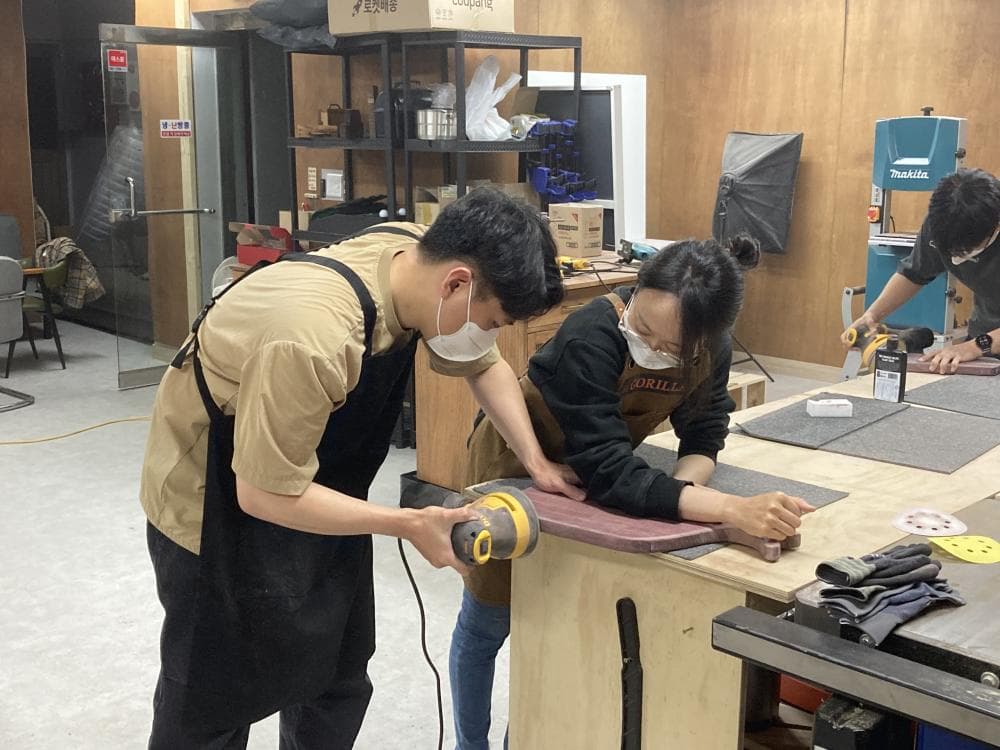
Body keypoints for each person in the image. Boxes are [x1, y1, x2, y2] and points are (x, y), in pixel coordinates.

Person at [139, 187, 583, 749]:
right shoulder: (314, 336)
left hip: (318, 487)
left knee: (335, 676)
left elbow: (481, 362)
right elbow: (263, 494)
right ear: (456, 284)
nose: (487, 336)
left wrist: (536, 461)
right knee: (214, 697)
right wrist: (408, 522)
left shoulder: (419, 259)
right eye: (491, 321)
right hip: (212, 506)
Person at [448, 235, 815, 750]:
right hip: (519, 469)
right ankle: (471, 744)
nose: (652, 348)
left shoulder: (711, 348)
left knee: (555, 623)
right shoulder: (591, 334)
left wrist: (682, 494)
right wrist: (729, 509)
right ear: (637, 290)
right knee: (490, 619)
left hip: (597, 485)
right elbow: (611, 470)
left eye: (670, 348)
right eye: (643, 328)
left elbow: (703, 433)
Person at [842, 168, 1000, 371]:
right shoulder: (945, 219)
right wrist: (871, 316)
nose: (955, 259)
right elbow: (914, 273)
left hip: (982, 344)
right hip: (984, 337)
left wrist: (975, 346)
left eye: (965, 252)